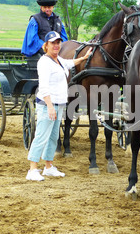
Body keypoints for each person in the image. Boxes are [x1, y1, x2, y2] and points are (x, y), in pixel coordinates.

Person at [26, 31, 92, 181]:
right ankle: (32, 169)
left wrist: (84, 57)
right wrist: (49, 106)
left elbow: (71, 63)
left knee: (53, 137)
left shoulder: (59, 60)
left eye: (58, 43)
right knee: (42, 136)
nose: (56, 45)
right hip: (47, 104)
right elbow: (43, 86)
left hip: (59, 104)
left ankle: (48, 167)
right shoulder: (44, 62)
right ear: (46, 45)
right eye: (53, 43)